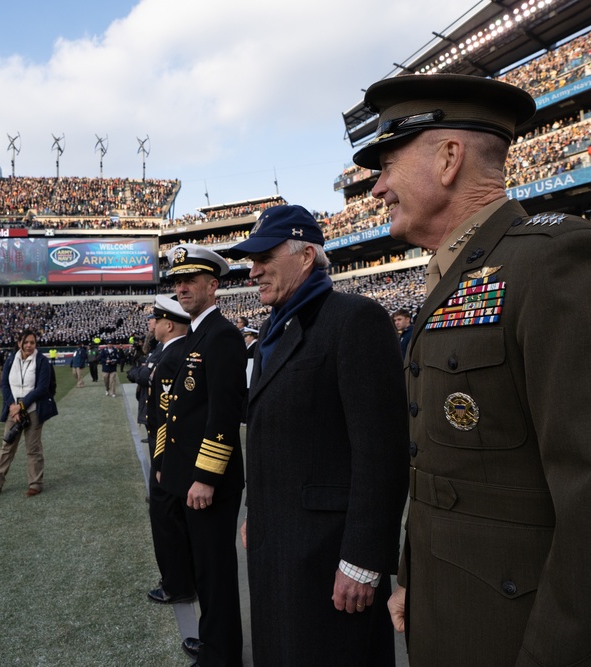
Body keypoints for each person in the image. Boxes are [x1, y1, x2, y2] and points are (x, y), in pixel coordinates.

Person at [351, 73, 591, 666]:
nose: (377, 189)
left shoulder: (557, 262)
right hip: (452, 619)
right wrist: (413, 574)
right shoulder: (457, 277)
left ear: (448, 158)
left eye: (388, 165)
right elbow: (443, 475)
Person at [226, 205, 409, 666]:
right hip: (276, 543)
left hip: (329, 558)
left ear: (306, 256)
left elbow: (381, 451)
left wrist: (363, 559)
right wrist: (256, 511)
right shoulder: (273, 328)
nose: (254, 271)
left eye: (265, 257)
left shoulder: (355, 319)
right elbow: (268, 435)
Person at [154, 243, 247, 667]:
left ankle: (221, 655)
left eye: (190, 280)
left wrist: (206, 477)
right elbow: (181, 414)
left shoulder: (222, 335)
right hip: (188, 478)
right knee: (205, 570)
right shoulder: (197, 334)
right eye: (177, 281)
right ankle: (213, 642)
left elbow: (224, 414)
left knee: (215, 573)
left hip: (207, 482)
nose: (181, 287)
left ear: (214, 285)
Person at [141, 295, 201, 662]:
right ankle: (179, 581)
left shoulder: (174, 355)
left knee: (166, 520)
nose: (152, 325)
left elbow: (166, 414)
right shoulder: (174, 352)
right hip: (165, 447)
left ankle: (177, 585)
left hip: (166, 449)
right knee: (169, 519)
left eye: (156, 320)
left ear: (169, 323)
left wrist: (161, 458)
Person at [0, 329, 58, 498]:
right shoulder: (11, 359)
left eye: (32, 342)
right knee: (7, 446)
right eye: (26, 342)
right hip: (13, 410)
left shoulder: (42, 361)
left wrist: (21, 406)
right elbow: (5, 385)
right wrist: (12, 406)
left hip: (33, 410)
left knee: (33, 448)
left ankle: (36, 484)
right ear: (19, 343)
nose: (29, 345)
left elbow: (41, 389)